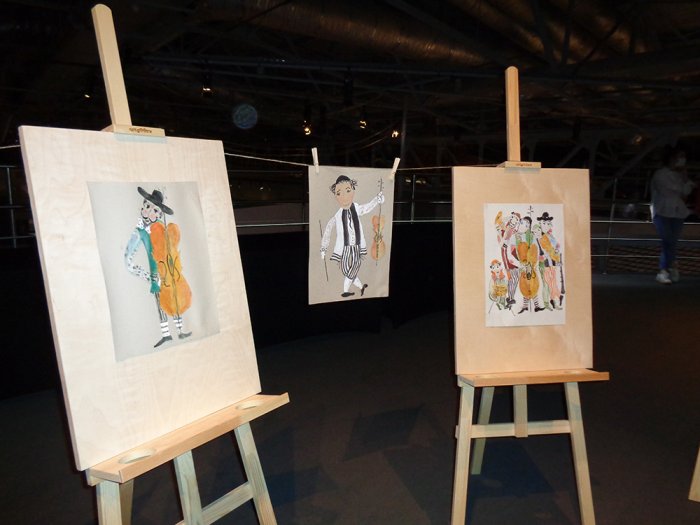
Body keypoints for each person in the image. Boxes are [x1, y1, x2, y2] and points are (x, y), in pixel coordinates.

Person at [125, 187, 192, 347]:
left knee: (174, 298)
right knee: (161, 302)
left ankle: (180, 331)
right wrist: (150, 277)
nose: (150, 211)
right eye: (147, 206)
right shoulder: (140, 231)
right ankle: (166, 334)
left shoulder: (162, 226)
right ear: (142, 206)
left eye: (155, 210)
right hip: (156, 272)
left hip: (169, 270)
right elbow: (128, 259)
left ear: (160, 215)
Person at [321, 175, 384, 297]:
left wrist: (377, 200)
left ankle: (345, 291)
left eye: (348, 191)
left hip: (356, 247)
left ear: (353, 191)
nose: (344, 196)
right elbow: (328, 229)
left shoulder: (356, 208)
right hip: (344, 248)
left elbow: (366, 208)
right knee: (346, 270)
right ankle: (361, 287)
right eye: (339, 193)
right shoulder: (337, 215)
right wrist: (324, 248)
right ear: (336, 196)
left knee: (354, 268)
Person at [650, 147, 696, 284]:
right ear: (672, 158)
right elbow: (671, 190)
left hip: (677, 212)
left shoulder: (679, 175)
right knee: (668, 240)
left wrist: (685, 179)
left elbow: (686, 192)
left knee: (671, 242)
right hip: (662, 211)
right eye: (680, 157)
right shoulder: (660, 174)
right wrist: (686, 183)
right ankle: (670, 266)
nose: (682, 160)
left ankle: (665, 269)